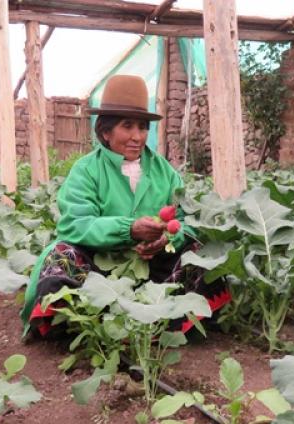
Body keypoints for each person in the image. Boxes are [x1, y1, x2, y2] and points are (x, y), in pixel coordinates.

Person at [20, 74, 229, 338]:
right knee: (61, 256)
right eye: (127, 126)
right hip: (98, 270)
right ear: (105, 131)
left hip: (155, 271)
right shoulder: (86, 170)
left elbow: (186, 221)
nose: (137, 136)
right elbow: (75, 225)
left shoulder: (164, 172)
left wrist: (166, 238)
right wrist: (129, 229)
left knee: (200, 255)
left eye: (142, 127)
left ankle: (167, 326)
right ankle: (76, 327)